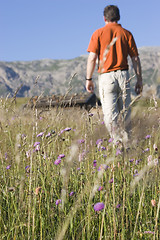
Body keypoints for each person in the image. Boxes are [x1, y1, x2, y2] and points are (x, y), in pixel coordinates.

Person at [86, 5, 143, 145]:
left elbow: (92, 58)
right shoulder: (126, 34)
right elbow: (135, 58)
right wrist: (139, 79)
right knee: (125, 113)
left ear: (104, 18)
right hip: (124, 76)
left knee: (110, 115)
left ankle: (117, 144)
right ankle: (127, 145)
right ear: (118, 17)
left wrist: (88, 79)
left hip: (107, 77)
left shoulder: (98, 33)